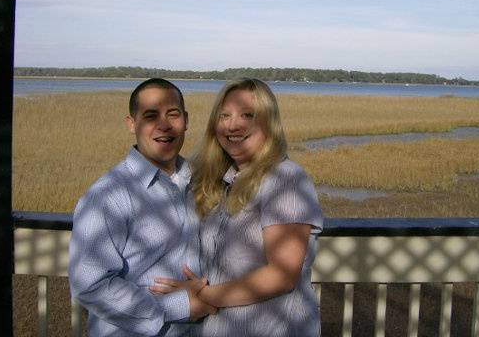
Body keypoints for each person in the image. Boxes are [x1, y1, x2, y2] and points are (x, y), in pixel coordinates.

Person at [150, 78, 323, 336]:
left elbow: (281, 275)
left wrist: (203, 295)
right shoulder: (223, 180)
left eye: (247, 115)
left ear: (269, 122)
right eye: (224, 115)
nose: (233, 125)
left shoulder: (286, 179)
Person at [68, 78, 215, 337]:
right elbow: (90, 285)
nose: (164, 125)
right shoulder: (107, 196)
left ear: (186, 120)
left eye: (173, 114)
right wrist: (180, 306)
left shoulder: (198, 181)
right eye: (150, 115)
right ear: (131, 124)